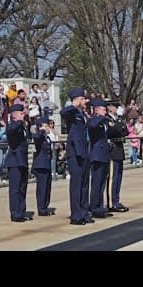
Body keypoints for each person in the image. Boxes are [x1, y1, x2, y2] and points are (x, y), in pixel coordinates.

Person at [60, 87, 93, 225]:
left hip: (84, 151)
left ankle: (84, 212)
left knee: (85, 184)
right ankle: (76, 215)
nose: (85, 101)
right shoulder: (72, 112)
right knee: (77, 184)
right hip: (75, 152)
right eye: (83, 99)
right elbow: (63, 112)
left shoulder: (83, 114)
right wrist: (74, 104)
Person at [5, 103, 32, 222]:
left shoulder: (22, 126)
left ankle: (21, 211)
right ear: (15, 115)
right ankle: (15, 213)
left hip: (22, 160)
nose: (24, 114)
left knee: (22, 188)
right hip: (14, 161)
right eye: (21, 113)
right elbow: (12, 130)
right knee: (15, 189)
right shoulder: (12, 125)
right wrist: (19, 122)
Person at [88, 98, 113, 218]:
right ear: (97, 110)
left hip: (104, 154)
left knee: (102, 182)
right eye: (104, 109)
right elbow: (92, 125)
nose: (105, 111)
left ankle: (100, 205)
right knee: (96, 181)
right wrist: (103, 117)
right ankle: (94, 206)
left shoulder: (103, 122)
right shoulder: (93, 120)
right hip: (96, 155)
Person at [106, 100, 129, 212]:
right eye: (115, 106)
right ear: (109, 107)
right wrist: (119, 119)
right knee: (112, 178)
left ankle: (116, 200)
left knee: (119, 177)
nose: (117, 108)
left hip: (119, 148)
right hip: (112, 149)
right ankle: (111, 203)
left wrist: (120, 120)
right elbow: (115, 131)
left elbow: (126, 131)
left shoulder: (117, 120)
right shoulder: (107, 119)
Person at [32, 116, 54, 216]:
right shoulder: (38, 135)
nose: (48, 127)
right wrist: (42, 130)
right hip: (40, 165)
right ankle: (41, 208)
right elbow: (36, 137)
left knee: (47, 187)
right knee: (42, 187)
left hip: (47, 164)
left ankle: (45, 206)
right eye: (46, 125)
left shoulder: (46, 136)